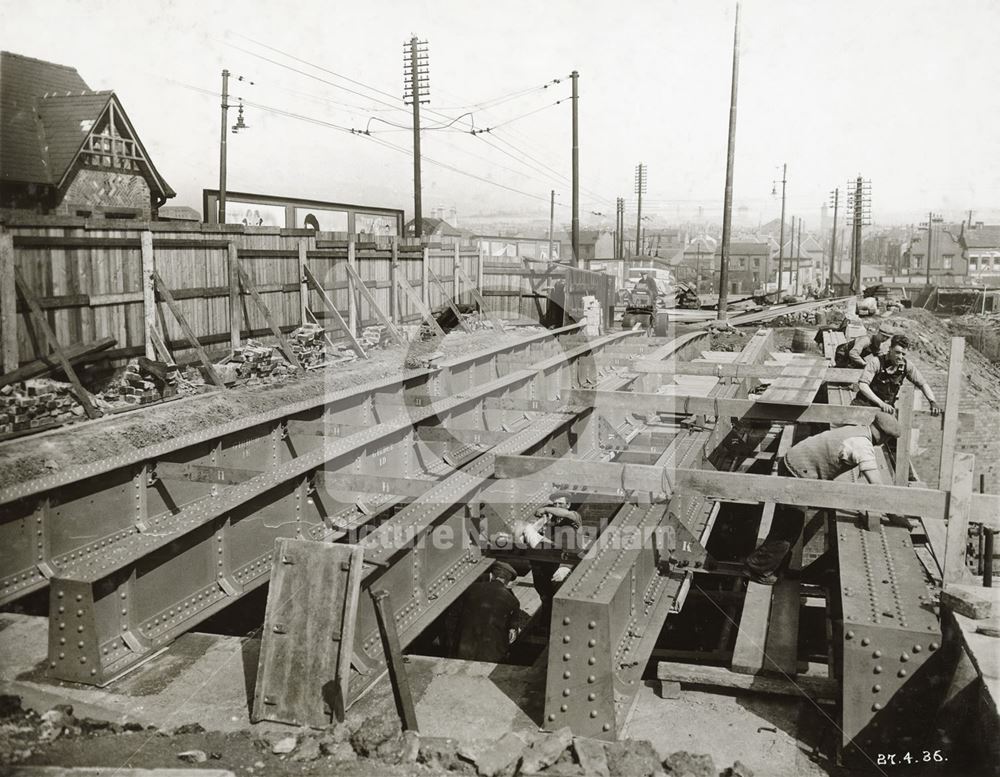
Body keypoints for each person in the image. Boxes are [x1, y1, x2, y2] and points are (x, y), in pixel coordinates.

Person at [744, 412, 901, 584]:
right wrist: (893, 515)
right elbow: (879, 488)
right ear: (884, 436)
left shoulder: (858, 430)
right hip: (798, 474)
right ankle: (757, 569)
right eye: (888, 439)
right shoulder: (862, 445)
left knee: (789, 523)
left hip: (793, 463)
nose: (885, 443)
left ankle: (775, 566)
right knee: (789, 526)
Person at [521, 492, 583, 609]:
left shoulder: (574, 516)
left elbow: (567, 514)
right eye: (555, 504)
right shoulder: (552, 522)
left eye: (561, 504)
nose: (557, 506)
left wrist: (545, 509)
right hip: (550, 561)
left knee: (561, 596)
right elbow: (550, 541)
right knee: (545, 594)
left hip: (566, 564)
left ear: (568, 505)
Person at [854, 334, 940, 415]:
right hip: (864, 404)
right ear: (890, 349)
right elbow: (863, 385)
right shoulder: (876, 362)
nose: (900, 357)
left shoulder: (906, 366)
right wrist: (881, 403)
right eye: (897, 352)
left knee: (893, 430)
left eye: (903, 354)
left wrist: (932, 401)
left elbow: (922, 384)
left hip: (885, 409)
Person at [454, 562, 520, 662]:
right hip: (491, 654)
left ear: (492, 575)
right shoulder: (512, 600)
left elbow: (454, 616)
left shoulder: (470, 589)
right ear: (507, 581)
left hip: (463, 649)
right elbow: (512, 632)